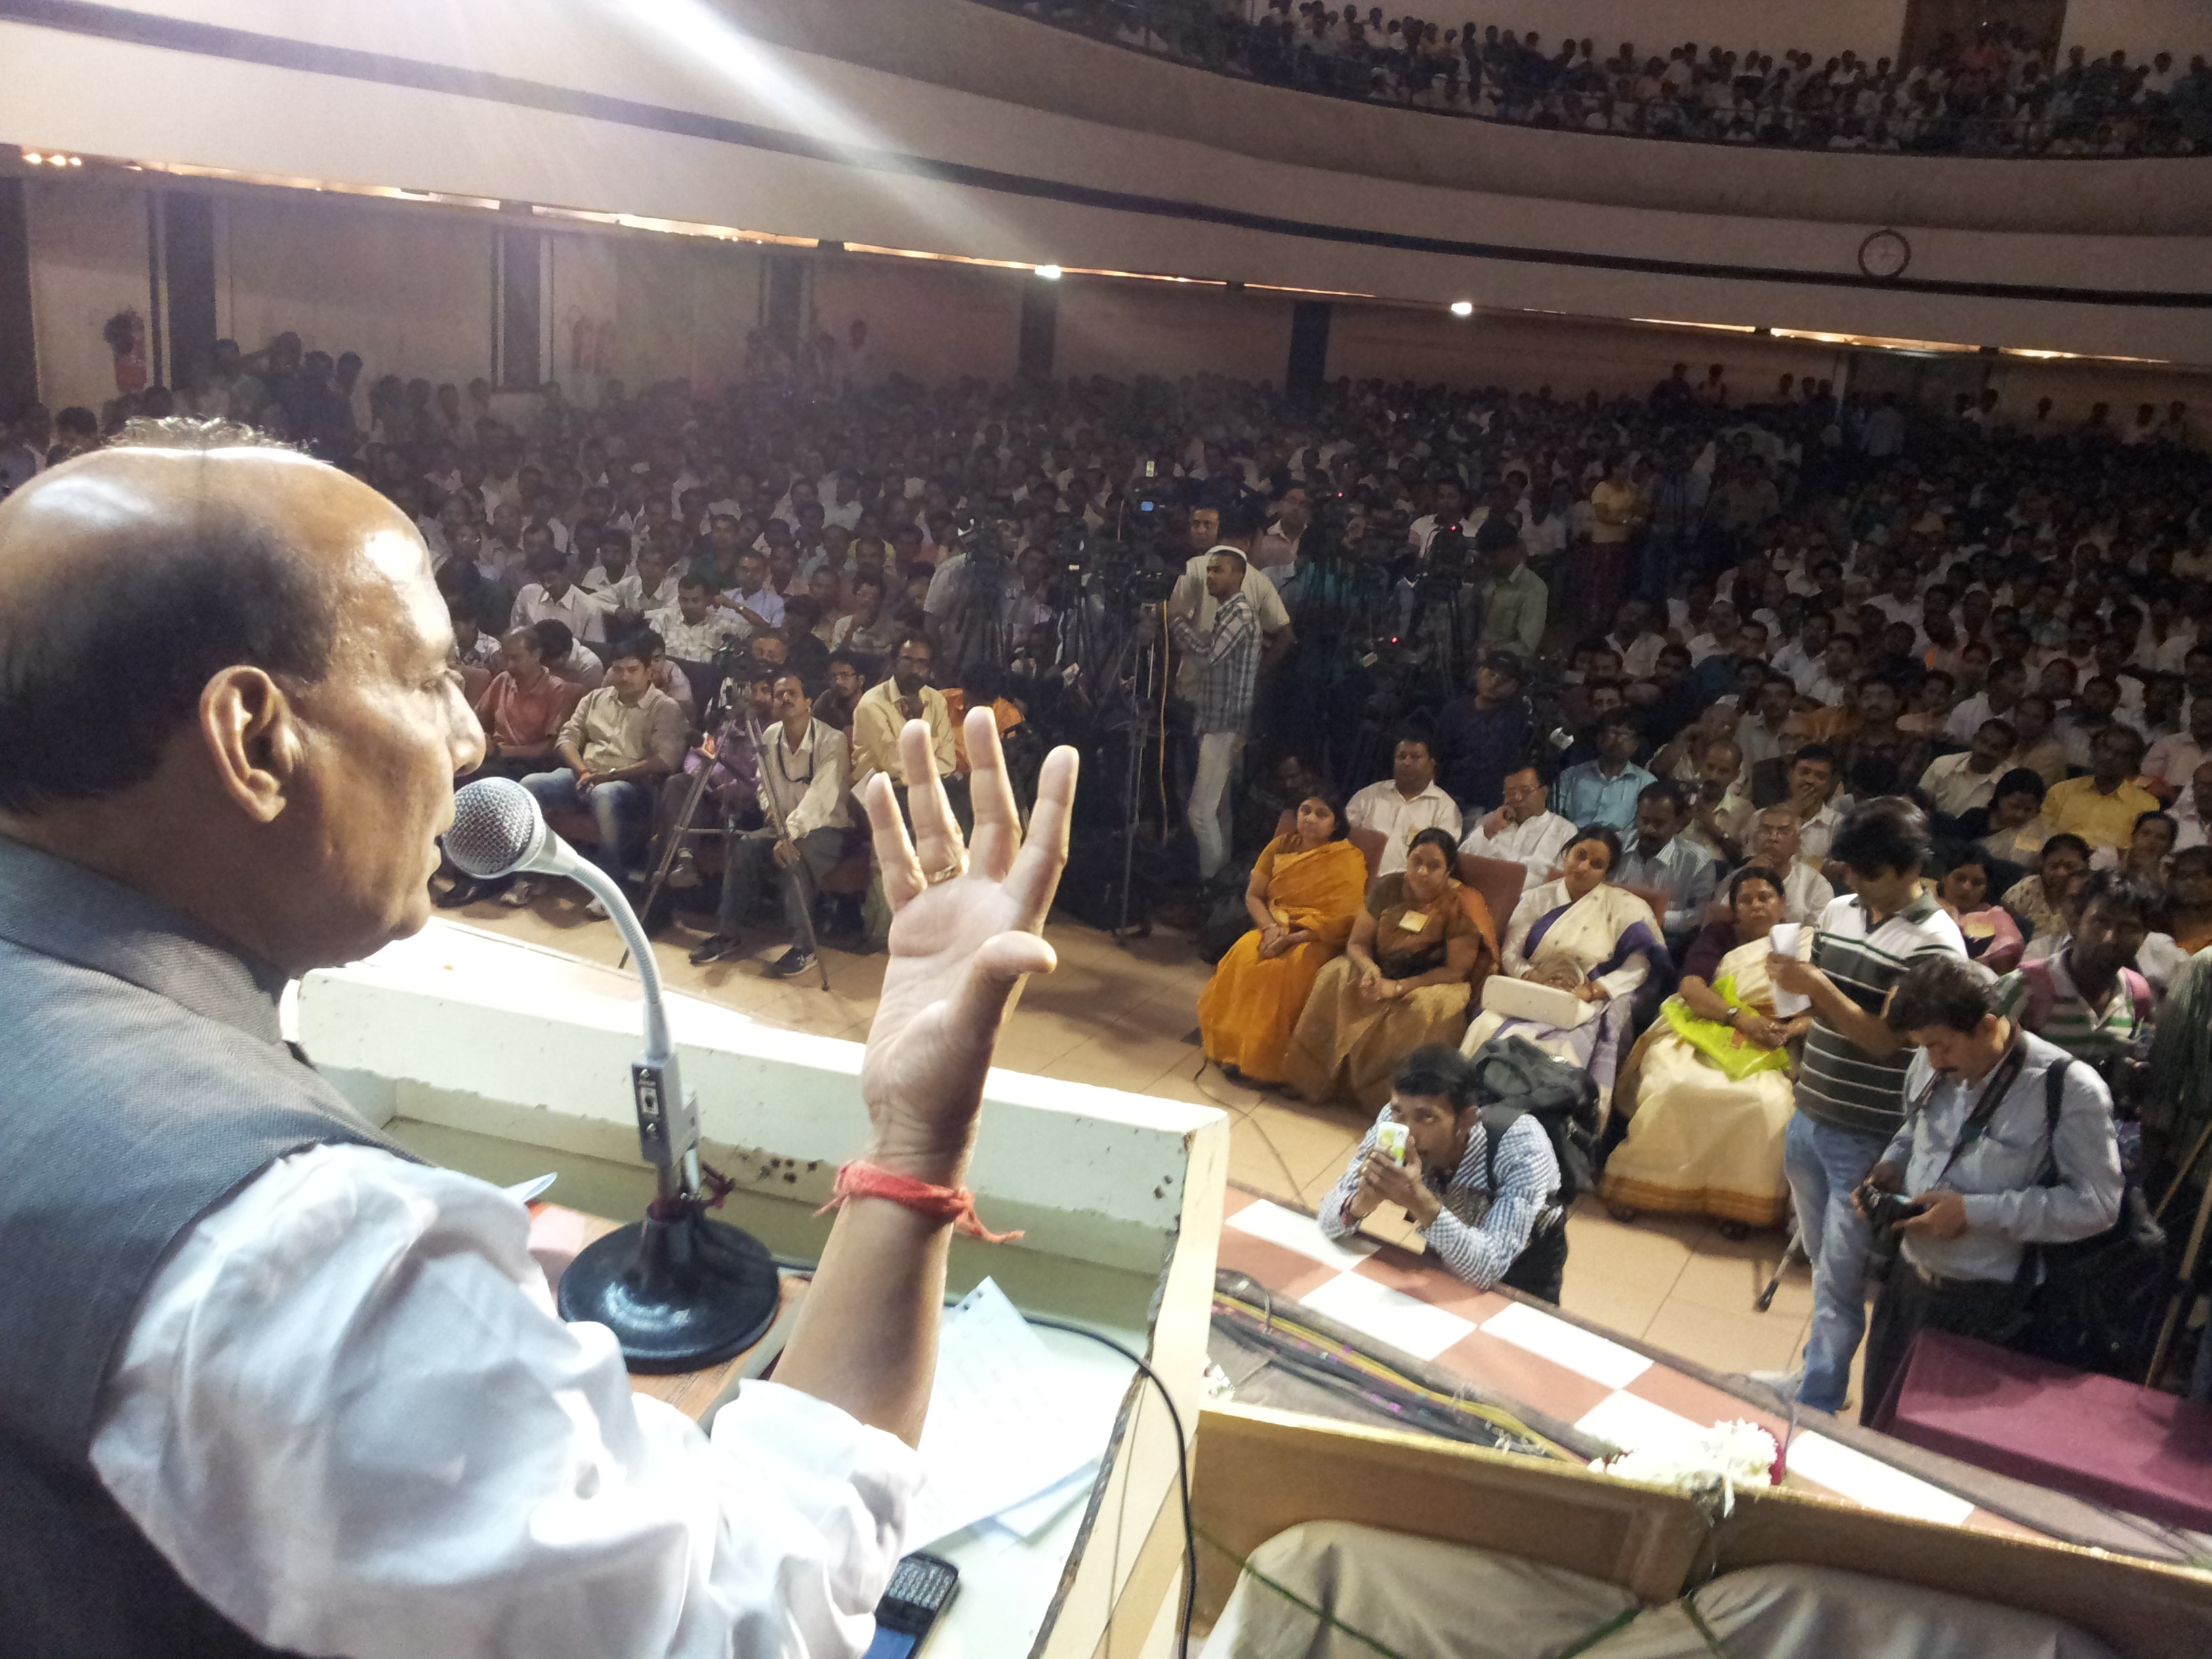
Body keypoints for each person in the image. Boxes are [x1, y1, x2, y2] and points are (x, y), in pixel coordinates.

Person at [0, 420, 1084, 1656]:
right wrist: (917, 1135)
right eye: (424, 675)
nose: (469, 737)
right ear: (253, 738)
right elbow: (742, 1616)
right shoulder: (306, 1264)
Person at [1858, 956, 2123, 1425]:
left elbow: (2098, 1206)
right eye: (1923, 1048)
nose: (1932, 1061)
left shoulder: (2069, 1089)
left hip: (1990, 1308)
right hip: (1907, 1286)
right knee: (1878, 1429)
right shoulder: (1930, 1059)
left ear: (1987, 1025)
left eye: (1940, 1047)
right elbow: (1915, 1128)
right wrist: (1891, 1166)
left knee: (1945, 1453)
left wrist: (1974, 1214)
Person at [1765, 800, 1965, 1413]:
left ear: (1911, 868)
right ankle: (1813, 1377)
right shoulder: (1839, 910)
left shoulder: (1936, 942)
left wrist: (1815, 987)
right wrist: (1792, 994)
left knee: (1845, 1272)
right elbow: (1824, 1010)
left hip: (1868, 1126)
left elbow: (1886, 1040)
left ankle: (1820, 1396)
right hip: (1814, 1106)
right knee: (1825, 1262)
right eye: (1851, 871)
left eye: (1869, 874)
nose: (1855, 884)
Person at [1604, 865, 1809, 1233]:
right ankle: (1638, 1187)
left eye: (1765, 897)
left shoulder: (1800, 944)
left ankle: (1737, 1206)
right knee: (1672, 1085)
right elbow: (1692, 988)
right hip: (1707, 1025)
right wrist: (1739, 1018)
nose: (1757, 906)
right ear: (1734, 910)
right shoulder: (1720, 936)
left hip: (1771, 1042)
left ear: (1782, 905)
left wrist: (1789, 1028)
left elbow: (1816, 1009)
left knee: (1765, 1103)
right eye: (1745, 900)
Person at [1317, 1044, 1570, 1303]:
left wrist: (1418, 1200)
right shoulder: (1393, 1124)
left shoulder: (1522, 1145)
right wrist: (1360, 1204)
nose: (1408, 1134)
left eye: (1426, 1117)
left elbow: (1488, 1269)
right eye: (1398, 1111)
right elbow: (1326, 1218)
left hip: (1525, 1258)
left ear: (1466, 1119)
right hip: (1446, 1230)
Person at [1285, 827, 1500, 1112]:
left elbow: (1455, 971)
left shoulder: (1461, 904)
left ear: (1448, 870)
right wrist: (1370, 970)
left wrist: (1398, 988)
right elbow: (1357, 943)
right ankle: (1312, 1080)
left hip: (1433, 982)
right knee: (1333, 975)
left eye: (1434, 866)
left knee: (1422, 1008)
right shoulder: (1388, 888)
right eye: (1417, 861)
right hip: (1381, 969)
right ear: (1407, 859)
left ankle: (1391, 1103)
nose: (1422, 872)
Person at [1459, 826, 1664, 1103]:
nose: (1583, 867)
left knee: (1562, 1052)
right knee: (1485, 1028)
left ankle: (1544, 1119)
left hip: (1587, 1001)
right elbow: (1510, 953)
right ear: (1566, 853)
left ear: (1608, 874)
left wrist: (1592, 991)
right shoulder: (1537, 898)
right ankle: (1470, 1106)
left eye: (1597, 864)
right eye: (1579, 855)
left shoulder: (1625, 907)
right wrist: (1532, 977)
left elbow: (1640, 966)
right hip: (1530, 991)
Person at [688, 671, 853, 977]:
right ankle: (728, 933)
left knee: (796, 853)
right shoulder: (770, 735)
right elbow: (763, 784)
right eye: (780, 694)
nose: (785, 699)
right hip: (782, 825)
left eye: (793, 693)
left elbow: (822, 797)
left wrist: (788, 833)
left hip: (826, 828)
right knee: (746, 845)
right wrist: (773, 816)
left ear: (808, 702)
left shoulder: (833, 740)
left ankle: (805, 947)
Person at [1197, 791, 1368, 1086]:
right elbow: (1253, 895)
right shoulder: (1280, 846)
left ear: (1335, 824)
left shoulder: (1348, 859)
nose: (1310, 818)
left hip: (1317, 936)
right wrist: (1269, 929)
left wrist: (1291, 939)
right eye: (1305, 810)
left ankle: (1268, 1064)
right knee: (1246, 955)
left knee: (1282, 972)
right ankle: (1232, 1050)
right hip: (1275, 924)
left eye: (1321, 813)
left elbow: (1343, 918)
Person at [518, 635, 687, 914]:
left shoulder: (665, 707)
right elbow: (567, 738)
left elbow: (665, 761)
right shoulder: (596, 697)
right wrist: (582, 769)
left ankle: (611, 886)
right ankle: (532, 873)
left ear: (649, 672)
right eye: (618, 670)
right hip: (586, 774)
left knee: (605, 794)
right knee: (530, 785)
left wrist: (611, 775)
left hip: (633, 785)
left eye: (633, 670)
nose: (624, 677)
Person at [1998, 869, 2158, 1063]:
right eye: (2100, 922)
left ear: (2144, 936)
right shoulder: (2023, 989)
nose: (2110, 938)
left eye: (2128, 928)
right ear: (2076, 922)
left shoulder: (2137, 996)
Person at [1171, 546, 1263, 882]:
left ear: (1238, 576)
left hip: (1224, 724)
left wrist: (1177, 624)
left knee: (1199, 812)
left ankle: (1210, 889)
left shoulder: (1239, 614)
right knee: (1219, 812)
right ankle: (1222, 890)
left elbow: (1209, 655)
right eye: (1208, 570)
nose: (1210, 576)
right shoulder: (1229, 613)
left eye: (1218, 570)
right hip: (1219, 722)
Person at [1611, 781, 1719, 956]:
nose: (1649, 829)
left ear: (1678, 823)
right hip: (1608, 930)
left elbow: (1700, 915)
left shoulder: (1697, 861)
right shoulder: (1616, 845)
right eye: (1644, 820)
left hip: (1664, 941)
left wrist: (1649, 917)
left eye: (1659, 823)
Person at [1344, 732, 1460, 876]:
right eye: (1402, 756)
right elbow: (1341, 836)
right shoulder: (1368, 796)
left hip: (1407, 889)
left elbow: (1440, 859)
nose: (1407, 762)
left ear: (1431, 764)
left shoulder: (1445, 808)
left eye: (1416, 757)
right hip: (1355, 877)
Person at [1434, 652, 1533, 817]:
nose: (1495, 682)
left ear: (1515, 686)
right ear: (1479, 672)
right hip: (1448, 797)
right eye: (1491, 674)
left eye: (1504, 679)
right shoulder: (1454, 711)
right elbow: (1438, 756)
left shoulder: (1516, 719)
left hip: (1488, 806)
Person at [1458, 762, 1576, 893]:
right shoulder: (1490, 823)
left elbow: (1562, 883)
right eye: (1510, 793)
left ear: (1544, 792)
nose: (1518, 798)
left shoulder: (1565, 831)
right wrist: (1490, 830)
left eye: (1526, 792)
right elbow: (1461, 862)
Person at [2043, 726, 2158, 855]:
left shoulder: (2147, 805)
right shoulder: (2061, 791)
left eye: (2119, 754)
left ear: (2132, 763)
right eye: (2105, 749)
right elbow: (2040, 834)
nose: (2108, 757)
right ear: (2094, 751)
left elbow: (2141, 851)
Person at [1551, 714, 1655, 832]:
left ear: (1636, 745)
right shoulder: (1571, 775)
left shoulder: (1646, 783)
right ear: (1600, 739)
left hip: (1621, 847)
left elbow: (1644, 827)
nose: (1618, 740)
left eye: (1626, 735)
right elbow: (1555, 817)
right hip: (1573, 841)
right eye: (1612, 733)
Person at [1933, 844, 2025, 975]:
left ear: (1986, 888)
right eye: (1960, 878)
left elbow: (2001, 973)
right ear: (1944, 877)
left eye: (1977, 883)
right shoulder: (1923, 902)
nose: (1966, 888)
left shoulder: (1999, 921)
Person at [1917, 718, 2016, 823]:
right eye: (1983, 742)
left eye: (1995, 748)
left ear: (2007, 754)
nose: (1985, 750)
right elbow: (1918, 802)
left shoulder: (2013, 781)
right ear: (1974, 740)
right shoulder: (1942, 764)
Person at [1748, 804, 1835, 923]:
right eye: (1766, 831)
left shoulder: (1816, 885)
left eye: (1783, 832)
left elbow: (1817, 935)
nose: (1773, 838)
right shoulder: (1736, 879)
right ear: (1754, 840)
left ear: (1797, 843)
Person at [2003, 832, 2089, 944]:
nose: (2061, 873)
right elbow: (2002, 926)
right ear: (2042, 865)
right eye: (2054, 866)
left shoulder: (2090, 897)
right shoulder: (2028, 888)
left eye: (2070, 867)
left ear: (2086, 867)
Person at [1973, 766, 2053, 867]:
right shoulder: (1975, 818)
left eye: (2028, 810)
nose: (2020, 814)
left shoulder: (2040, 835)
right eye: (2015, 806)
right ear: (2000, 797)